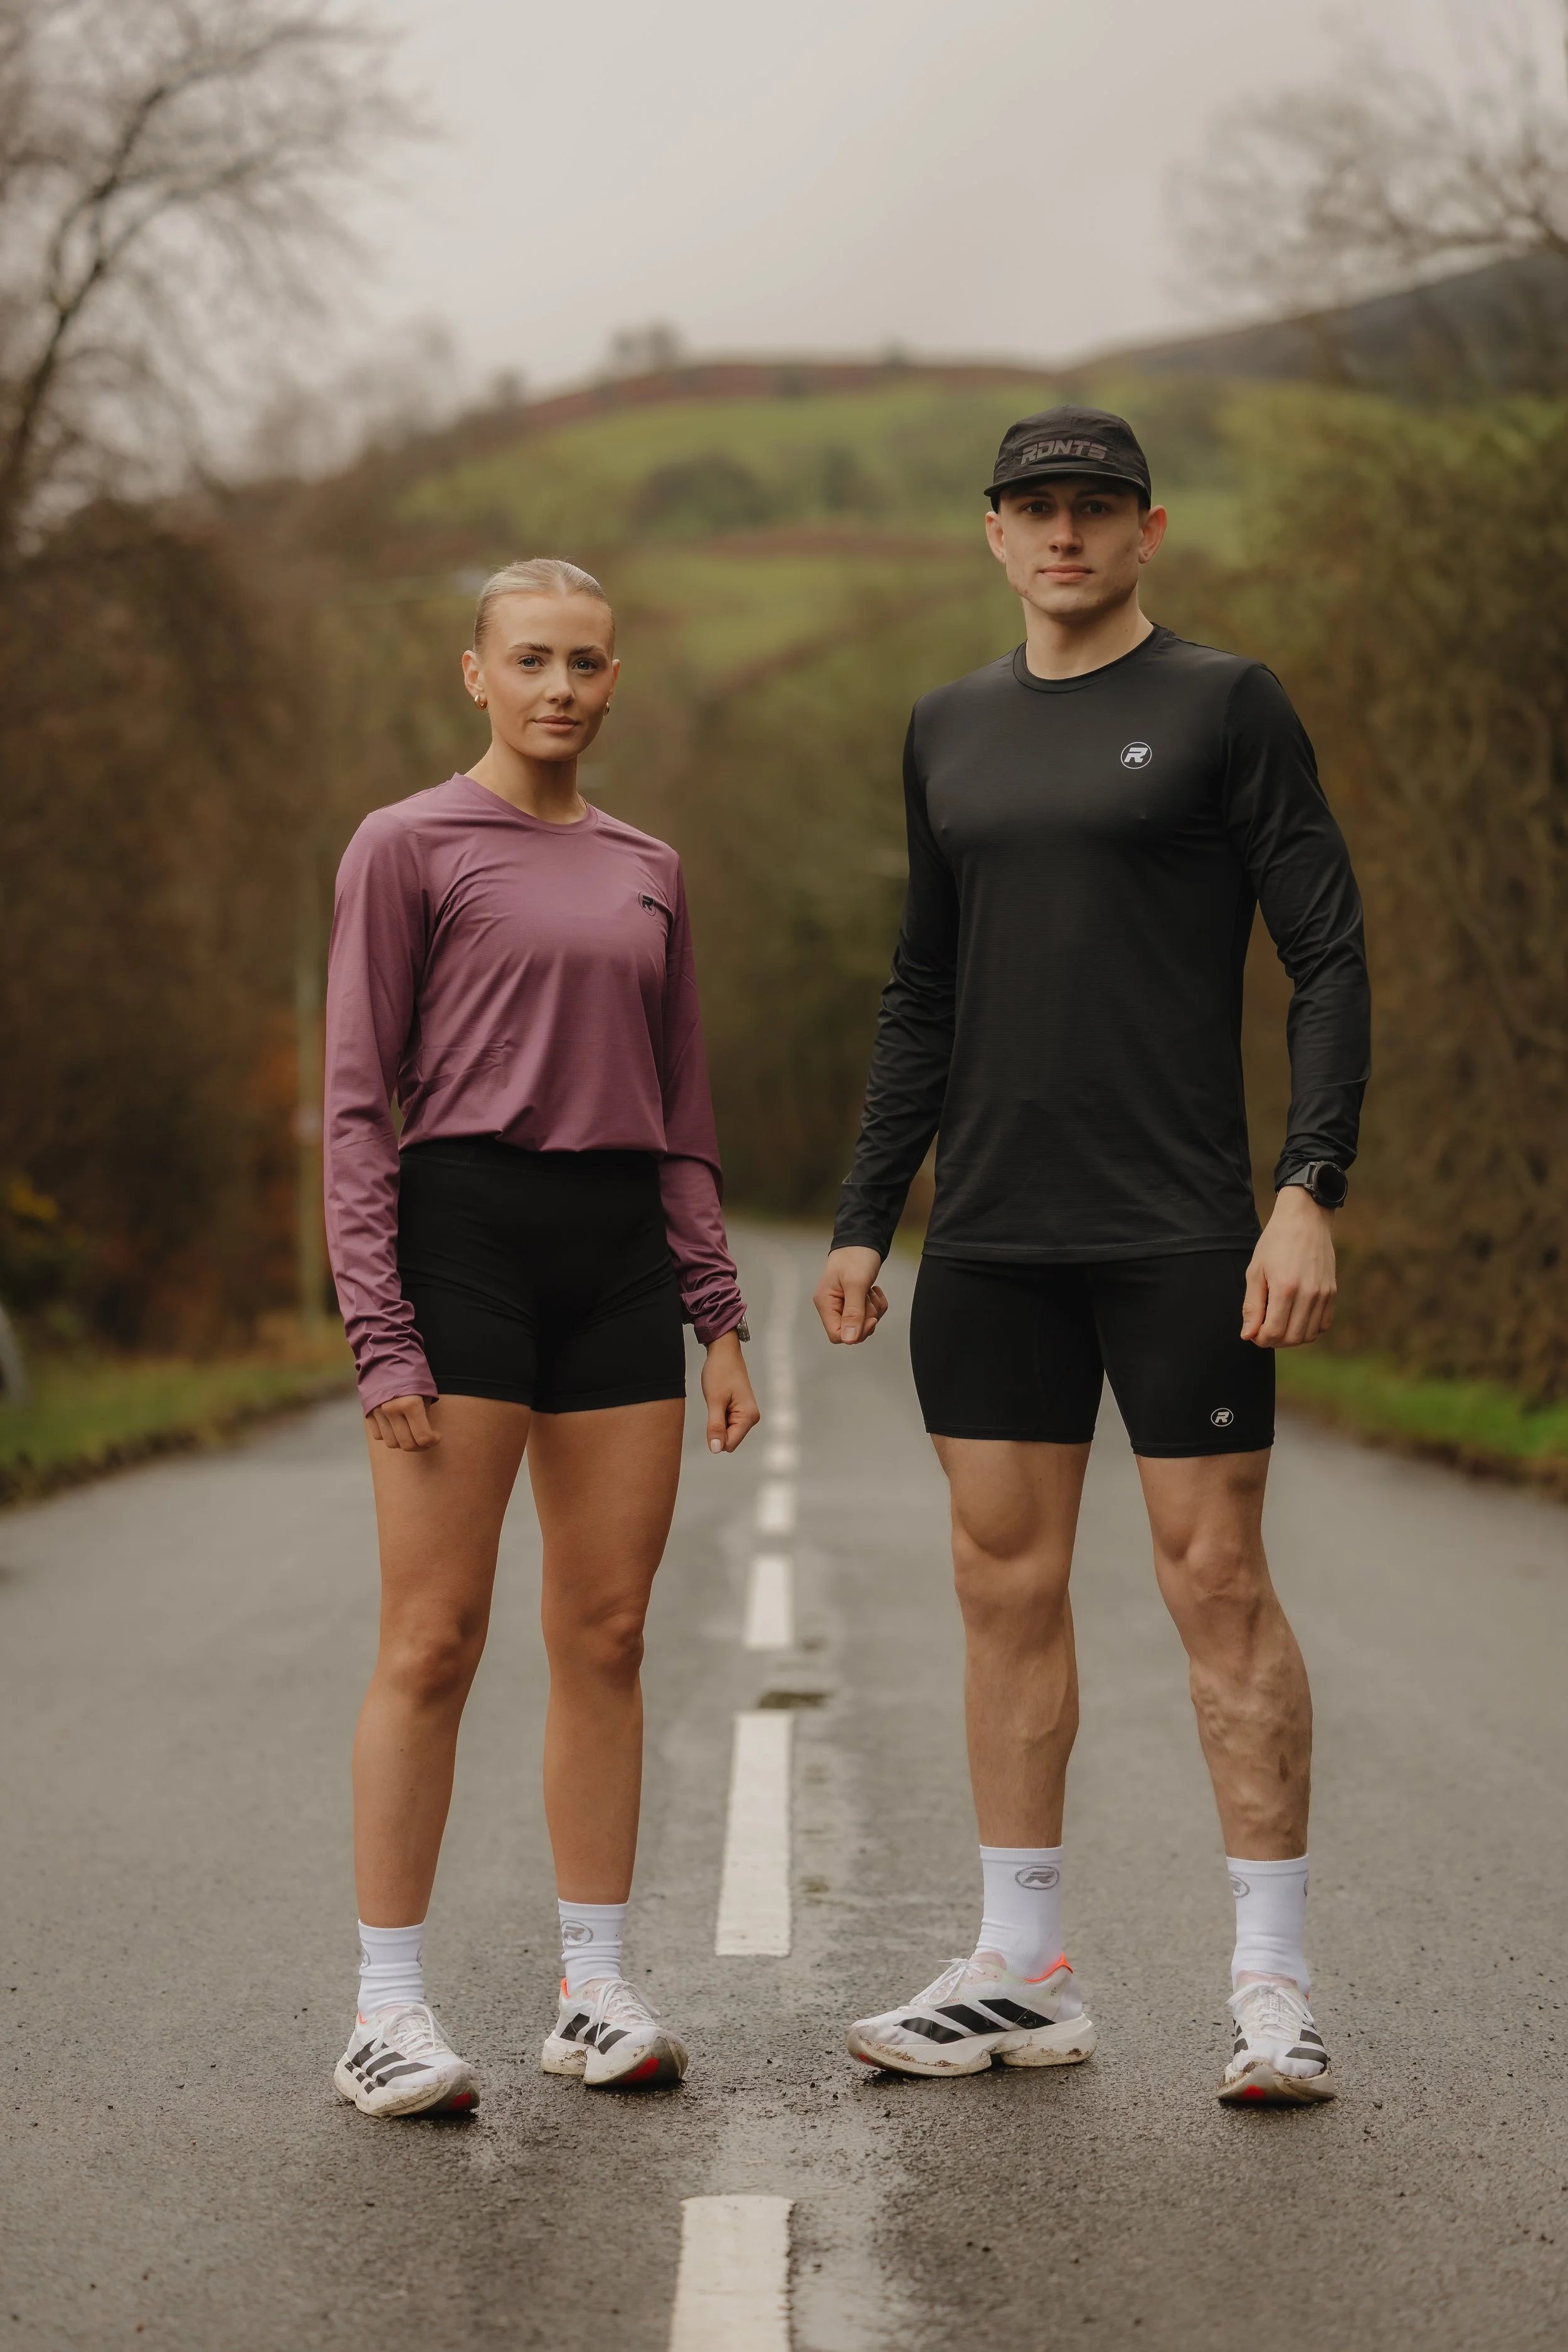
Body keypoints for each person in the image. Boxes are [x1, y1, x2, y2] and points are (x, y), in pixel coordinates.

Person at [815, 406, 1369, 2105]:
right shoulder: (945, 726)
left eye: (1094, 507)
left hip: (1181, 1228)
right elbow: (923, 987)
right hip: (991, 1234)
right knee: (1001, 1584)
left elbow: (1328, 954)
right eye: (1035, 507)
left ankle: (1271, 1983)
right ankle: (1020, 1969)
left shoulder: (1224, 704)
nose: (1064, 533)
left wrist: (1307, 1187)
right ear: (993, 532)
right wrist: (863, 1212)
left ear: (1145, 530)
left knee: (1215, 1581)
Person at [324, 557, 758, 2117]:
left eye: (584, 661)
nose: (559, 687)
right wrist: (380, 1330)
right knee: (433, 1638)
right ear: (476, 674)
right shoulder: (406, 845)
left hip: (618, 1259)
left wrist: (716, 1314)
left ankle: (592, 1993)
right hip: (464, 1248)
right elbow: (356, 1106)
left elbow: (682, 1111)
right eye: (530, 659)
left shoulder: (651, 867)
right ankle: (385, 2012)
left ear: (614, 678)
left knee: (609, 1634)